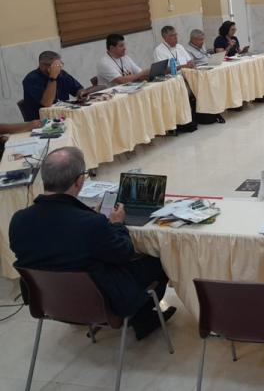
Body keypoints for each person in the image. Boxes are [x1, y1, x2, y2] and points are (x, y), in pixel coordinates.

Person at [9, 147, 176, 339]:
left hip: (49, 300)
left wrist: (91, 219)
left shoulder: (18, 220)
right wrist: (116, 225)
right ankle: (143, 318)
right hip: (101, 301)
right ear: (79, 181)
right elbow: (124, 252)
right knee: (158, 260)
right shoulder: (90, 224)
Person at [22, 51, 94, 120]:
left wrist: (81, 93)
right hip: (42, 120)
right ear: (42, 65)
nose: (58, 68)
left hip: (64, 115)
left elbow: (78, 89)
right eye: (54, 65)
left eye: (59, 64)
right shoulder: (31, 79)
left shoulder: (62, 74)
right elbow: (47, 103)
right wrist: (53, 78)